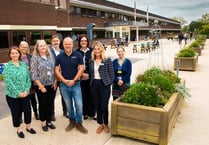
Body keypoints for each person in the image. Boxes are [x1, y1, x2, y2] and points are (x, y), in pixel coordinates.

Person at [55, 37, 88, 134]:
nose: (67, 46)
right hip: (64, 85)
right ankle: (72, 121)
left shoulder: (78, 55)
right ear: (63, 45)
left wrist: (74, 80)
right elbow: (56, 70)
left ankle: (79, 123)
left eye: (69, 44)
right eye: (66, 44)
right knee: (69, 105)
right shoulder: (59, 56)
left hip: (76, 84)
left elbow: (81, 69)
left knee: (79, 105)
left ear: (72, 44)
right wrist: (63, 80)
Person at [3, 46, 36, 138]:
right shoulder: (8, 67)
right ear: (9, 55)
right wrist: (18, 93)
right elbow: (8, 82)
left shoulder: (23, 65)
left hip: (25, 93)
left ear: (19, 54)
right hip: (12, 95)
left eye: (16, 53)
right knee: (16, 112)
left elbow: (28, 79)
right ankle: (19, 129)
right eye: (12, 53)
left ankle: (28, 127)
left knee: (27, 110)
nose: (14, 54)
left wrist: (26, 90)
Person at [30, 40, 56, 132]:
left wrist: (55, 81)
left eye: (44, 45)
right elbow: (33, 74)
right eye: (40, 46)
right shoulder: (35, 58)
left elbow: (54, 70)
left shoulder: (50, 56)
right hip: (40, 85)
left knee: (50, 103)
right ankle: (43, 122)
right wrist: (41, 86)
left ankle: (49, 121)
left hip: (51, 84)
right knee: (43, 104)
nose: (43, 47)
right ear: (37, 47)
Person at [89, 41, 114, 134]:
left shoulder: (107, 60)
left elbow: (112, 74)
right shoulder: (91, 60)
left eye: (98, 49)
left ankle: (106, 123)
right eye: (95, 49)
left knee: (104, 106)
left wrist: (109, 83)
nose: (97, 50)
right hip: (94, 84)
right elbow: (90, 73)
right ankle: (100, 124)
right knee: (97, 106)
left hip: (104, 85)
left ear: (102, 49)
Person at [76, 34, 95, 120]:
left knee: (91, 95)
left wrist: (89, 75)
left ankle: (92, 113)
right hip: (80, 77)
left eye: (85, 41)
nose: (83, 42)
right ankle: (85, 113)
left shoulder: (92, 51)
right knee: (83, 96)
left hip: (91, 77)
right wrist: (81, 74)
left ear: (87, 42)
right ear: (79, 42)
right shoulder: (76, 52)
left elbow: (96, 64)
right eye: (82, 41)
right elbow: (74, 65)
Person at [19, 41, 40, 120]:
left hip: (30, 82)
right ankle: (20, 116)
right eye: (22, 46)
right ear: (19, 47)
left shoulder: (31, 56)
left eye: (26, 47)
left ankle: (35, 113)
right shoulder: (16, 57)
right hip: (20, 83)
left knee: (32, 98)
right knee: (21, 99)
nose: (24, 48)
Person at [50, 35, 68, 121]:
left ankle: (65, 111)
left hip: (62, 77)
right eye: (54, 41)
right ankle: (52, 113)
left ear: (59, 42)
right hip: (53, 78)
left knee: (64, 95)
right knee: (52, 96)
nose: (56, 42)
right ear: (51, 42)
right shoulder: (48, 52)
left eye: (57, 41)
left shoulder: (63, 52)